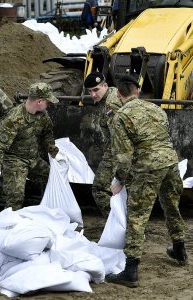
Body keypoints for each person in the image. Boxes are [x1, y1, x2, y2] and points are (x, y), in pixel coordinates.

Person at [107, 75, 187, 287]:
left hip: (148, 167)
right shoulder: (156, 109)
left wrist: (119, 180)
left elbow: (124, 155)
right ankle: (180, 249)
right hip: (170, 163)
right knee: (172, 206)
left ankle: (130, 270)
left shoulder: (121, 116)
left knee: (138, 215)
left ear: (118, 93)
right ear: (137, 91)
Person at [0, 82, 59, 217]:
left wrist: (50, 146)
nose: (49, 104)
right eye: (47, 102)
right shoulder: (14, 118)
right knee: (16, 196)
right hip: (14, 160)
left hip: (32, 158)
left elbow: (47, 132)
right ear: (39, 101)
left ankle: (46, 211)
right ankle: (8, 224)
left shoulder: (43, 115)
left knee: (50, 177)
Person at [84, 71, 123, 217]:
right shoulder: (108, 97)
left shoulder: (111, 104)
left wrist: (122, 172)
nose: (93, 94)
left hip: (118, 151)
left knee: (99, 189)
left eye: (96, 90)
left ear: (105, 85)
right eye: (90, 91)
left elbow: (121, 137)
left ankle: (117, 224)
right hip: (115, 151)